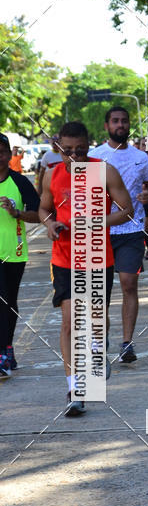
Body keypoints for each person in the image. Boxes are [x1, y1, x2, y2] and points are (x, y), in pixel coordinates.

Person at [39, 122, 133, 415]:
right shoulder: (52, 175)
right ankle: (74, 389)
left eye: (81, 151)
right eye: (68, 152)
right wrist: (50, 224)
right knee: (70, 321)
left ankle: (97, 349)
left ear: (88, 146)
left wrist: (97, 223)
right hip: (64, 257)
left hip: (97, 256)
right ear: (59, 148)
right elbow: (44, 208)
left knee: (95, 318)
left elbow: (126, 209)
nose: (76, 157)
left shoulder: (104, 171)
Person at [89, 107, 148, 363]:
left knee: (129, 283)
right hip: (101, 232)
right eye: (115, 121)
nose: (121, 125)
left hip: (131, 229)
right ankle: (100, 337)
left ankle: (127, 343)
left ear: (129, 125)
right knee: (100, 291)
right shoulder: (94, 156)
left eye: (124, 121)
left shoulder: (141, 157)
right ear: (107, 126)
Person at [0, 133, 41, 378]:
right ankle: (3, 352)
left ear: (9, 154)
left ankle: (7, 348)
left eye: (2, 152)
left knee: (10, 302)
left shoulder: (19, 182)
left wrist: (17, 213)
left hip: (14, 252)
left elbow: (39, 214)